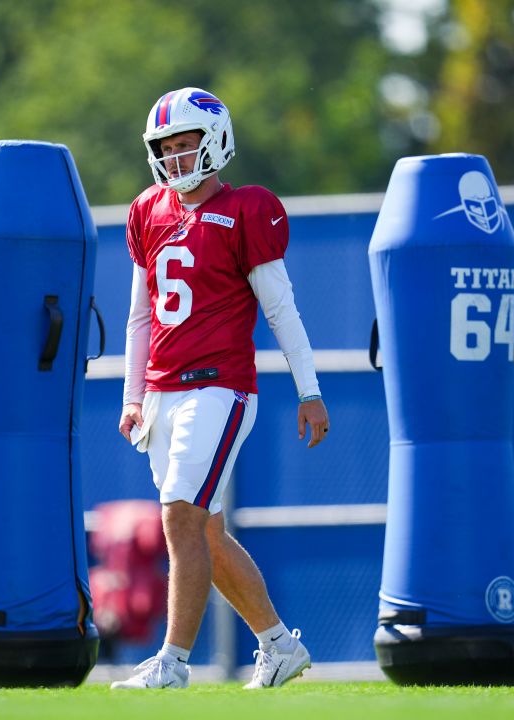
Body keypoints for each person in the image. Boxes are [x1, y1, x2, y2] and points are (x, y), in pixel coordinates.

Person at [111, 87, 330, 690]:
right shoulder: (147, 212)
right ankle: (279, 646)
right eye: (167, 148)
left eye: (187, 145)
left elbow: (282, 310)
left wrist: (308, 390)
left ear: (216, 142)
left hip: (220, 388)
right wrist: (133, 397)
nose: (177, 159)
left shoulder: (246, 209)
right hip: (162, 392)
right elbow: (138, 318)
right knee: (204, 529)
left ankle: (173, 664)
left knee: (179, 515)